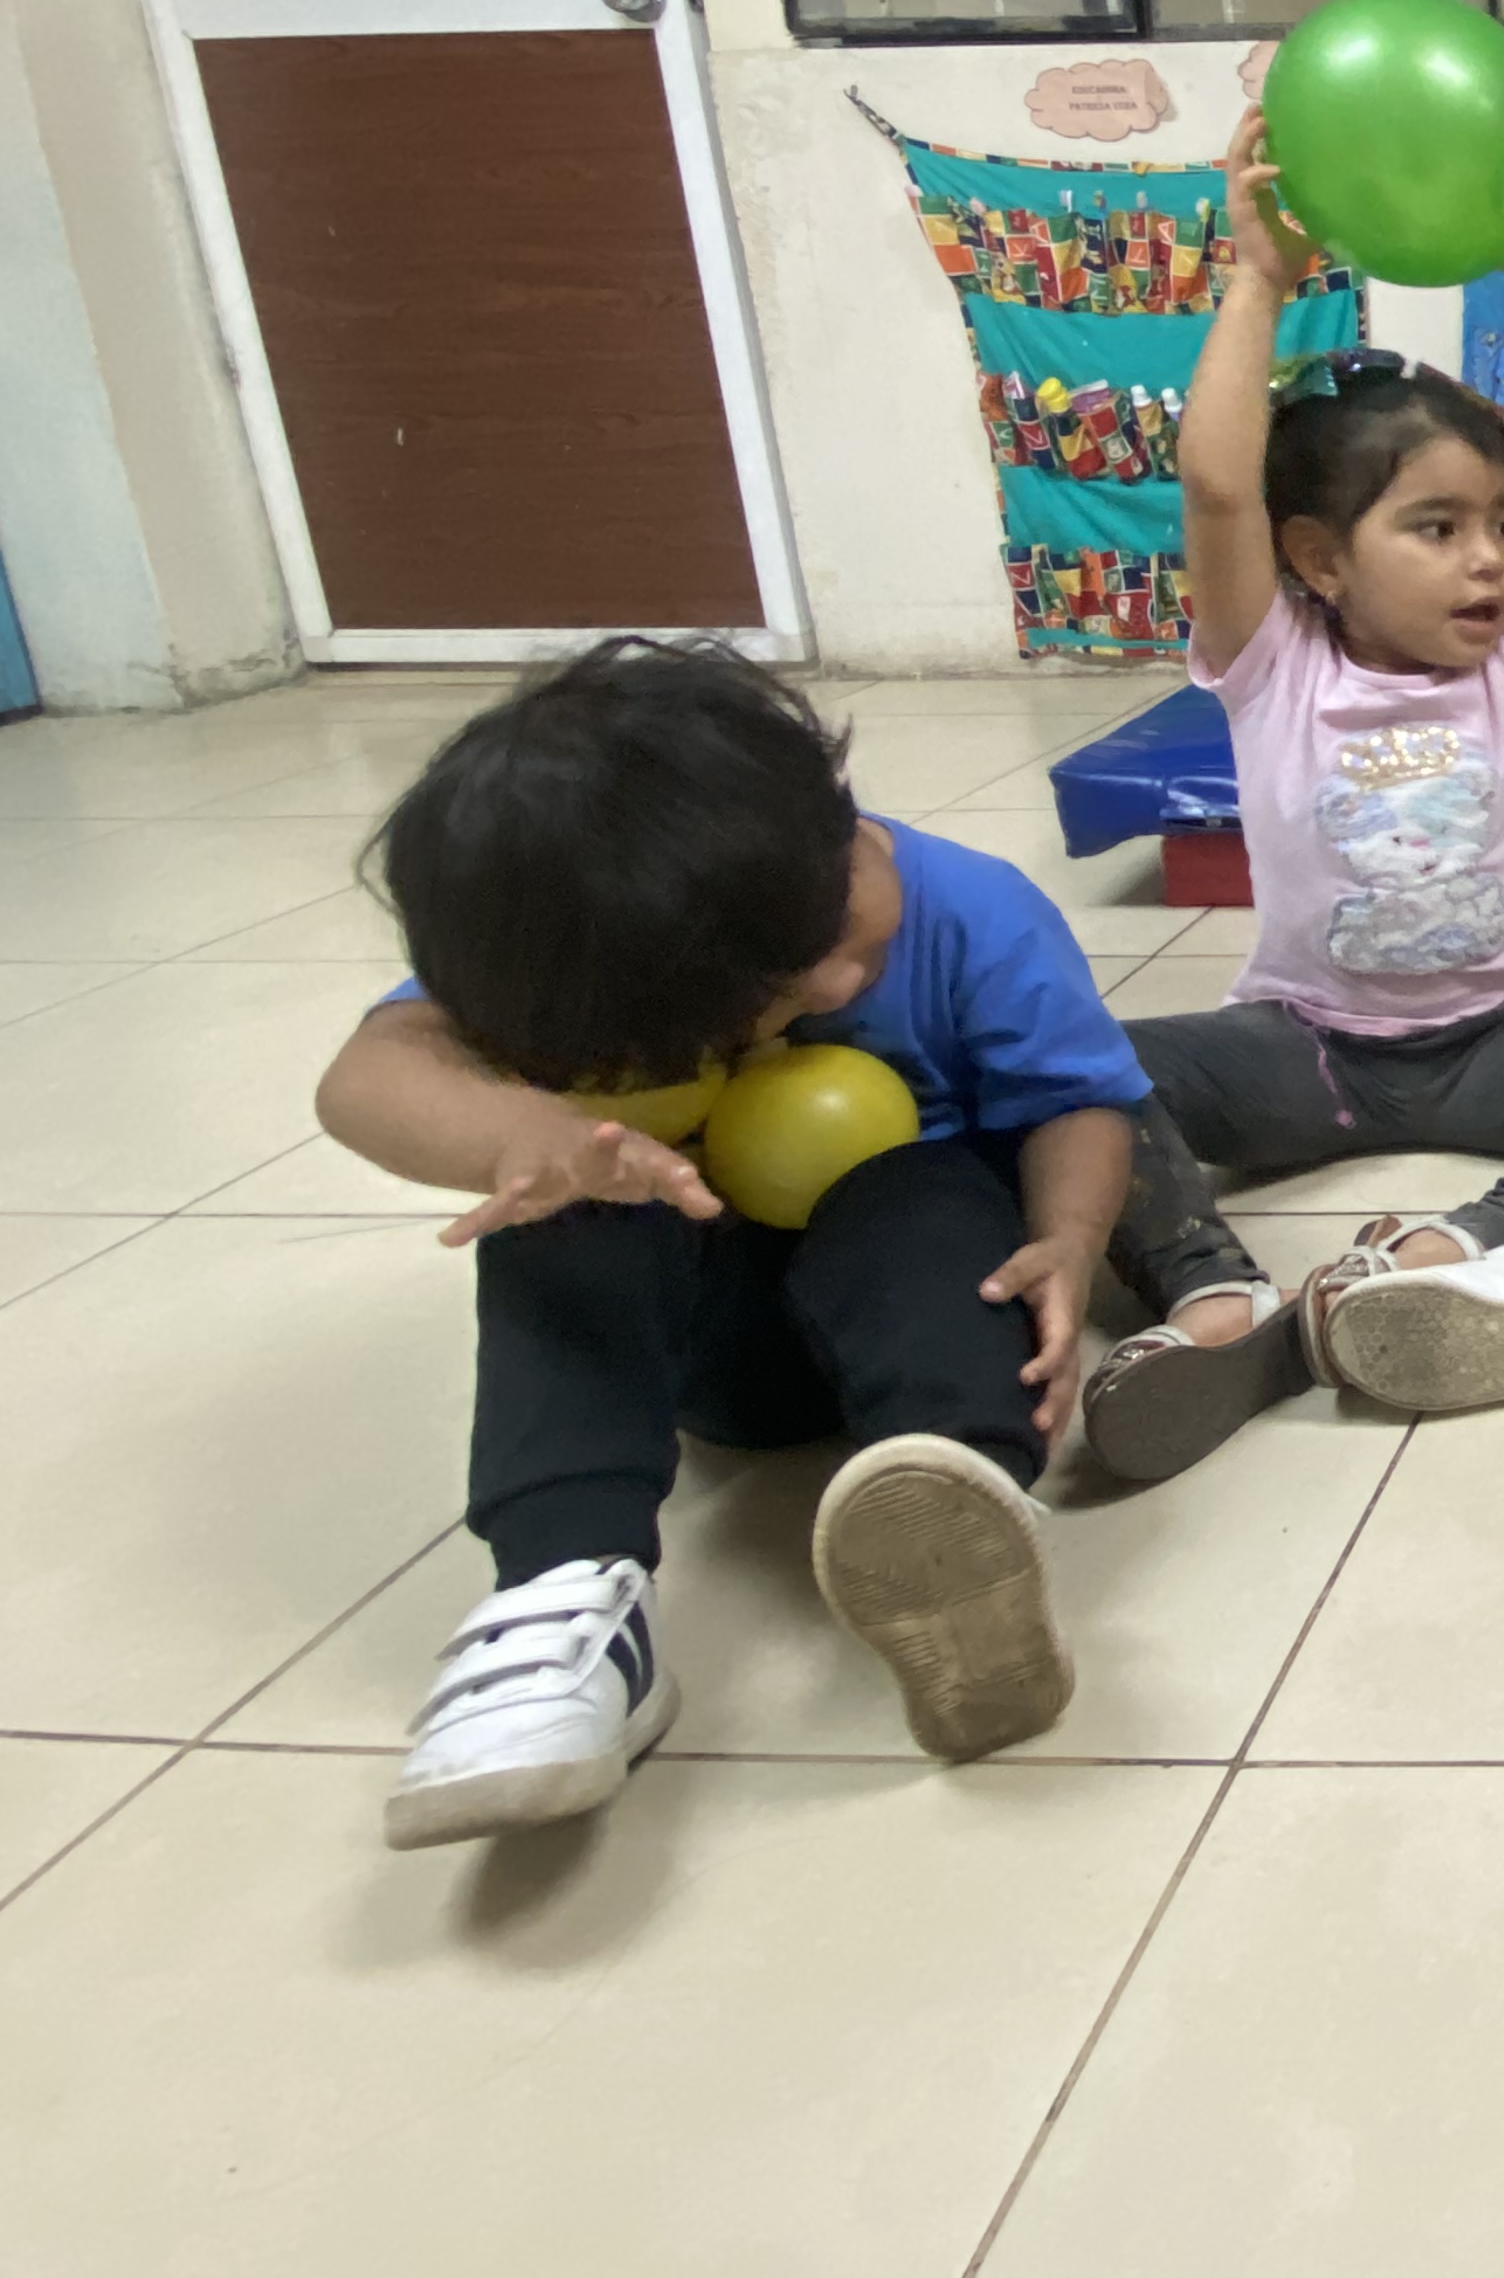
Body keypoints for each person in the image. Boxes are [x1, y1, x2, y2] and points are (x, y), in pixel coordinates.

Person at [319, 640, 1150, 1849]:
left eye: (838, 910)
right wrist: (532, 1139)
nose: (836, 980)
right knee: (566, 1214)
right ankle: (562, 1593)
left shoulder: (972, 909)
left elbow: (1079, 1099)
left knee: (922, 1186)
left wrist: (1069, 1240)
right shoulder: (592, 952)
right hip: (715, 1335)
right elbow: (368, 1074)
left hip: (926, 1302)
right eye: (771, 995)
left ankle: (959, 1522)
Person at [1076, 110, 1504, 1484]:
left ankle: (1475, 1245)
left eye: (1498, 523)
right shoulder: (1273, 665)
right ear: (1320, 558)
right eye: (1436, 528)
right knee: (1074, 1065)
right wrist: (1257, 280)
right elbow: (1216, 489)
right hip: (1308, 1052)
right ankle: (1220, 1300)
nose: (1489, 559)